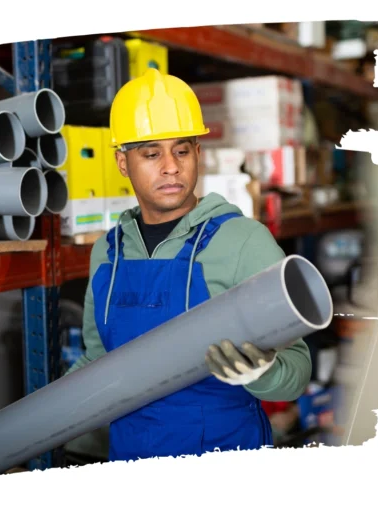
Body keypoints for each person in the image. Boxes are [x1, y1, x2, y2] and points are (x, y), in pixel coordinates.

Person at [63, 68, 312, 462]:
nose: (170, 167)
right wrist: (12, 431)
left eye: (181, 150)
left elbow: (296, 372)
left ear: (198, 154)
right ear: (122, 163)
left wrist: (262, 371)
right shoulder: (108, 253)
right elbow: (97, 362)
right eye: (150, 154)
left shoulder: (243, 242)